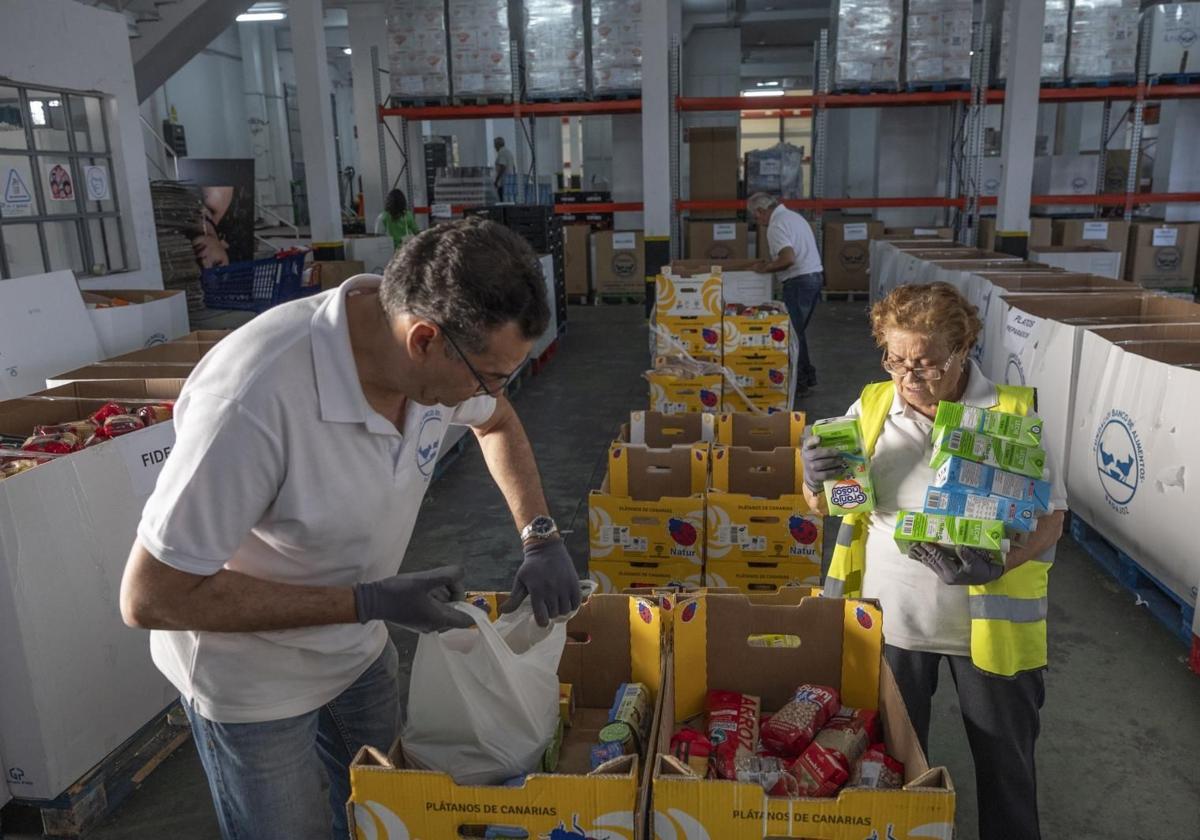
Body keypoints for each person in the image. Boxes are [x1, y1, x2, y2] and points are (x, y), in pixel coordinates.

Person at [119, 218, 581, 840]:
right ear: (423, 340)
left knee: (386, 820)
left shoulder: (431, 370)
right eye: (489, 374)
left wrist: (540, 534)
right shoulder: (254, 400)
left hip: (358, 654)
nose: (494, 390)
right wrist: (366, 600)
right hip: (254, 685)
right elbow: (151, 597)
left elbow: (496, 420)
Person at [801, 282, 1066, 840]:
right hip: (894, 625)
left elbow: (1051, 518)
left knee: (1006, 774)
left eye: (925, 363)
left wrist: (1002, 563)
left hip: (987, 634)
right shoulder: (872, 407)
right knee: (887, 768)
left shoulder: (1008, 413)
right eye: (895, 359)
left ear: (964, 348)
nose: (907, 377)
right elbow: (835, 504)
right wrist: (813, 480)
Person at [748, 192, 824, 400]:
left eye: (756, 217)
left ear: (761, 211)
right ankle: (806, 377)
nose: (758, 222)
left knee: (791, 335)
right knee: (796, 333)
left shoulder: (776, 225)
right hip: (813, 278)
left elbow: (788, 258)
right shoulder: (793, 217)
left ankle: (799, 384)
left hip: (799, 282)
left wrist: (766, 268)